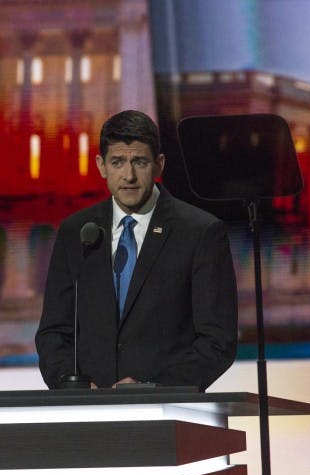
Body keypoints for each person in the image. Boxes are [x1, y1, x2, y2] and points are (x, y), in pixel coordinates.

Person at [35, 110, 237, 390]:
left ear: (159, 165)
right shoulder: (76, 232)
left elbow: (218, 341)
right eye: (117, 162)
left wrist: (153, 388)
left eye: (139, 162)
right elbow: (53, 333)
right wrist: (72, 384)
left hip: (167, 412)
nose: (128, 175)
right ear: (101, 165)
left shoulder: (200, 232)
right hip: (86, 413)